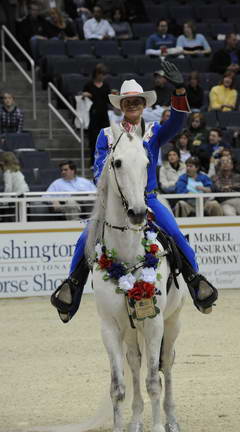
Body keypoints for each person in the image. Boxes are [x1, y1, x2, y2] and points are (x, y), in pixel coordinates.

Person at [50, 61, 218, 323]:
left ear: (144, 104)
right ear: (121, 105)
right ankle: (71, 290)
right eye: (127, 102)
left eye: (137, 101)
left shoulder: (153, 134)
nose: (132, 105)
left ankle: (196, 283)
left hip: (148, 198)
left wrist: (181, 92)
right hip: (114, 203)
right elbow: (98, 171)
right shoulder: (106, 135)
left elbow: (177, 121)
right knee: (85, 239)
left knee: (174, 233)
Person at [82, 64, 110, 166]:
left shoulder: (106, 85)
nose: (102, 76)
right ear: (96, 74)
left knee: (105, 137)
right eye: (101, 74)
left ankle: (105, 160)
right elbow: (83, 97)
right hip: (92, 114)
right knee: (93, 139)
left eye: (104, 74)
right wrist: (85, 95)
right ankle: (93, 161)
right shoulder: (89, 85)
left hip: (103, 114)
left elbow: (108, 100)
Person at [0, 151, 29, 222]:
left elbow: (8, 188)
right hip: (25, 194)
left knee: (15, 217)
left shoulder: (7, 173)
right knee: (22, 216)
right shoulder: (17, 171)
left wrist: (4, 201)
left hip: (18, 196)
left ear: (3, 163)